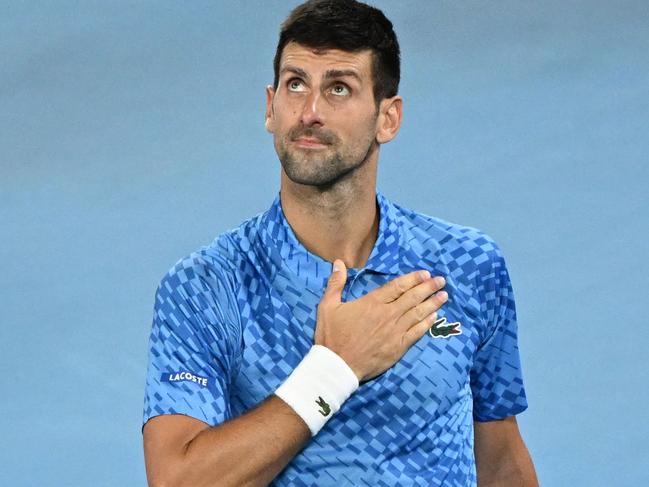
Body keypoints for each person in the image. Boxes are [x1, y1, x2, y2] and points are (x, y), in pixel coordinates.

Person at [142, 0, 539, 485]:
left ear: (387, 119)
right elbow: (178, 480)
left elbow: (499, 460)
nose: (309, 112)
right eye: (295, 84)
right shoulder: (204, 287)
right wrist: (335, 368)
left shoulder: (468, 264)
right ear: (270, 107)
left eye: (338, 88)